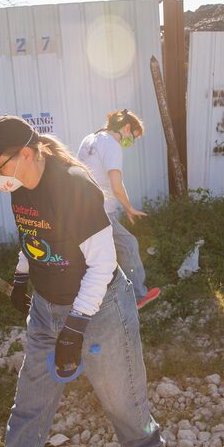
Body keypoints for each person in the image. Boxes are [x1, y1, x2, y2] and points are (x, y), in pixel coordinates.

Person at [0, 116, 164, 447]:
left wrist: (76, 324)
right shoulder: (20, 186)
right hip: (47, 308)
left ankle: (147, 441)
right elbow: (31, 234)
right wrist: (21, 276)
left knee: (119, 393)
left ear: (28, 154)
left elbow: (102, 263)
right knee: (30, 402)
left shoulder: (73, 186)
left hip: (99, 307)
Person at [77, 109, 161, 309]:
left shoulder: (90, 139)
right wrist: (130, 208)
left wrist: (126, 208)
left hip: (81, 209)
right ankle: (138, 296)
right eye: (134, 137)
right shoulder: (112, 145)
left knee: (96, 259)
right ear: (127, 128)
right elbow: (116, 186)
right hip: (101, 211)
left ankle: (98, 301)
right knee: (129, 245)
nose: (132, 141)